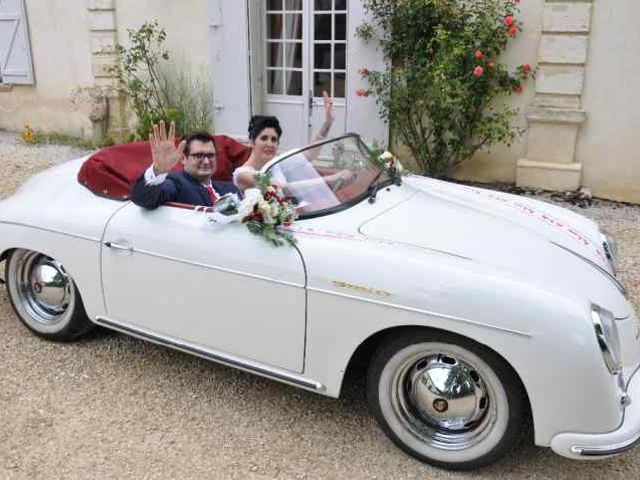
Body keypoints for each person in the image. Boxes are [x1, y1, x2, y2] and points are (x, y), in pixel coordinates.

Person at [131, 121, 239, 210]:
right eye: (199, 155)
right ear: (183, 159)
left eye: (210, 155)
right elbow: (145, 199)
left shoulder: (231, 187)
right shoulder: (176, 183)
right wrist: (158, 170)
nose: (206, 161)